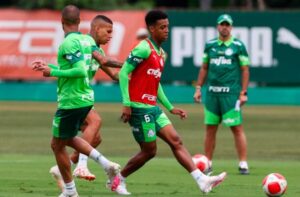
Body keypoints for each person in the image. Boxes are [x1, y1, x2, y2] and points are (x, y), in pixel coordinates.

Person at [111, 10, 227, 195]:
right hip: (139, 109)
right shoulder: (143, 48)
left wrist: (171, 107)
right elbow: (124, 72)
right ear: (151, 28)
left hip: (153, 109)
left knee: (176, 141)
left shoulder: (161, 54)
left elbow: (156, 85)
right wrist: (126, 103)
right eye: (162, 27)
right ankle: (118, 180)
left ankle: (202, 180)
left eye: (167, 27)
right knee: (149, 151)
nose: (166, 31)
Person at [32, 5, 120, 197]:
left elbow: (79, 70)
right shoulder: (86, 41)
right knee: (72, 139)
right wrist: (50, 66)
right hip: (86, 98)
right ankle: (101, 167)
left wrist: (52, 72)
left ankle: (76, 181)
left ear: (62, 22)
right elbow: (89, 66)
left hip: (71, 100)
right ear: (80, 22)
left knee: (57, 145)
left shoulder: (68, 43)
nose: (110, 35)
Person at [193, 14, 250, 175]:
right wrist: (198, 88)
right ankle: (208, 162)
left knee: (236, 128)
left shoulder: (238, 45)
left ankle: (243, 163)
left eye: (227, 24)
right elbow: (204, 67)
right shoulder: (210, 45)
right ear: (218, 26)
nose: (224, 27)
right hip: (212, 94)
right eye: (222, 24)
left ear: (231, 27)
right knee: (210, 129)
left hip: (231, 95)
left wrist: (243, 92)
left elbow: (245, 70)